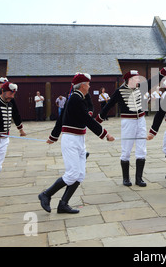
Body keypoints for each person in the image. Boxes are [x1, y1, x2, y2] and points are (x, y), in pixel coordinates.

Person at [40, 73, 114, 214]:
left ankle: (63, 204)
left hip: (79, 139)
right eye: (88, 83)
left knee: (80, 174)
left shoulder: (79, 98)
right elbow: (87, 119)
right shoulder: (75, 98)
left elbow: (65, 118)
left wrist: (54, 136)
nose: (90, 86)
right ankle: (46, 194)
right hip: (71, 139)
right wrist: (105, 134)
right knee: (72, 173)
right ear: (83, 85)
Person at [96, 64, 166, 187]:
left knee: (142, 149)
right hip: (128, 122)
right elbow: (108, 105)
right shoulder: (119, 91)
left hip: (141, 120)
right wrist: (98, 120)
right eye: (136, 78)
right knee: (126, 149)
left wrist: (164, 71)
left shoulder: (141, 88)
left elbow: (153, 81)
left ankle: (139, 178)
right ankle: (126, 178)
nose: (139, 79)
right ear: (130, 80)